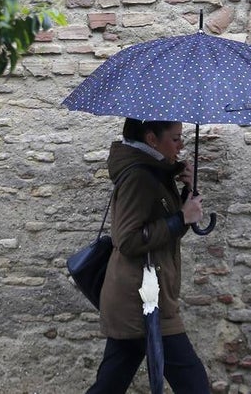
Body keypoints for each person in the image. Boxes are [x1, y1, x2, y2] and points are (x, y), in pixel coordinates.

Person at [86, 118, 209, 394]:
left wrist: (187, 194)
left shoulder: (154, 173)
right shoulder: (138, 177)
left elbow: (165, 237)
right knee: (194, 383)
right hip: (142, 300)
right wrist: (180, 218)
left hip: (144, 296)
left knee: (109, 385)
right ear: (152, 139)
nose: (181, 145)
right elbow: (127, 239)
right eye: (176, 138)